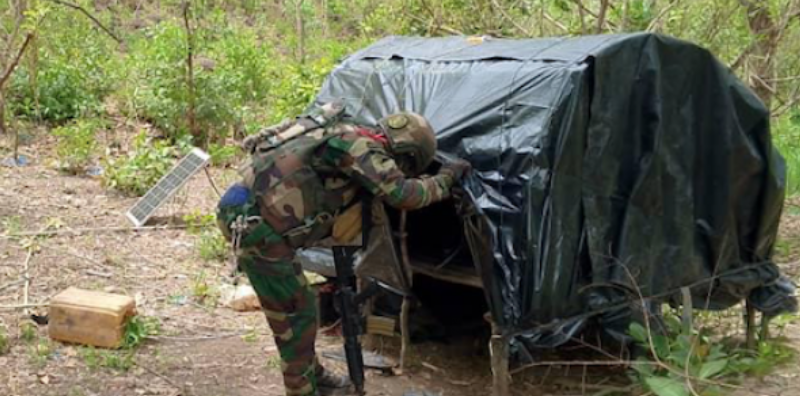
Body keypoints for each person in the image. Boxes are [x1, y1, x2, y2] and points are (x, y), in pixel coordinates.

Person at [216, 101, 470, 396]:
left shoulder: (340, 130)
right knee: (295, 319)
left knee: (300, 312)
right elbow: (405, 194)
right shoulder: (359, 146)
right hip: (257, 229)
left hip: (250, 217)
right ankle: (302, 390)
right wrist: (448, 177)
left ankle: (316, 377)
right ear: (407, 153)